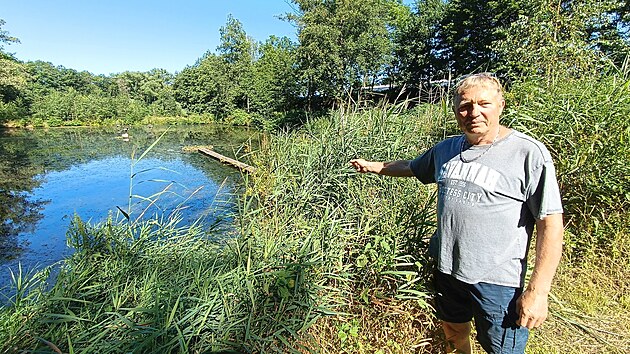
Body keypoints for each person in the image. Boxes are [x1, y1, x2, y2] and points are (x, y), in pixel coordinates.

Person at [349, 73, 564, 353]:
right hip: (447, 269)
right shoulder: (447, 149)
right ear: (455, 111)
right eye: (464, 106)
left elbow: (550, 222)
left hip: (497, 279)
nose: (473, 112)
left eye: (483, 103)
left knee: (502, 349)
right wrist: (377, 166)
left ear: (501, 105)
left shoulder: (527, 153)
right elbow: (414, 167)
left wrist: (538, 291)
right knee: (453, 330)